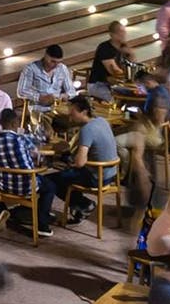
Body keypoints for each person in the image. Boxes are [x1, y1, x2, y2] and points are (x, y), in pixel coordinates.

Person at [0, 107, 55, 237]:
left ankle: (0, 210)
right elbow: (37, 153)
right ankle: (42, 225)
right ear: (14, 124)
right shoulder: (21, 139)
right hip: (27, 187)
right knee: (50, 186)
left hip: (3, 186)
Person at [48, 95, 118, 225]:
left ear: (84, 112)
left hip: (97, 176)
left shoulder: (87, 129)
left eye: (72, 112)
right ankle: (80, 206)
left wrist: (67, 159)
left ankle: (84, 204)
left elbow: (80, 163)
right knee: (65, 173)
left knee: (51, 180)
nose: (70, 116)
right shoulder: (102, 121)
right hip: (111, 174)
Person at [88, 21, 135, 98]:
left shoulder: (124, 48)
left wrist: (131, 54)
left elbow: (133, 66)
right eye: (120, 32)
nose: (123, 35)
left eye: (124, 32)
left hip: (117, 84)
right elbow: (115, 72)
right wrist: (129, 74)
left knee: (136, 94)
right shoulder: (105, 48)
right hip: (99, 84)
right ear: (112, 34)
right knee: (114, 98)